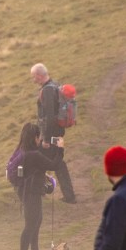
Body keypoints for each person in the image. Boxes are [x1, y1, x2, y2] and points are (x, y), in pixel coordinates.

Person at [14, 122, 66, 250]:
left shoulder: (25, 152)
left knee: (36, 221)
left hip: (28, 192)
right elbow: (54, 165)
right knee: (31, 223)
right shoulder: (34, 155)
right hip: (31, 193)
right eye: (39, 137)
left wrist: (43, 147)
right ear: (34, 138)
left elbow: (38, 164)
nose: (40, 139)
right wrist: (60, 149)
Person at [31, 63, 76, 203]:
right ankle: (69, 196)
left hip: (51, 135)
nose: (33, 80)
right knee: (58, 163)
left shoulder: (47, 91)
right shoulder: (55, 85)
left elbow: (49, 117)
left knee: (38, 161)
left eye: (33, 77)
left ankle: (38, 195)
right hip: (59, 133)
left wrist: (44, 138)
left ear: (39, 75)